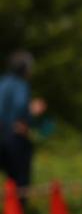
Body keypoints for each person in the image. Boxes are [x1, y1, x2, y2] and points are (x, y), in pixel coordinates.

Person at [0, 52, 43, 201]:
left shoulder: (3, 82)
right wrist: (31, 111)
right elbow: (20, 106)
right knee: (20, 177)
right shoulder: (20, 85)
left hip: (2, 133)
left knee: (9, 177)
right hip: (15, 135)